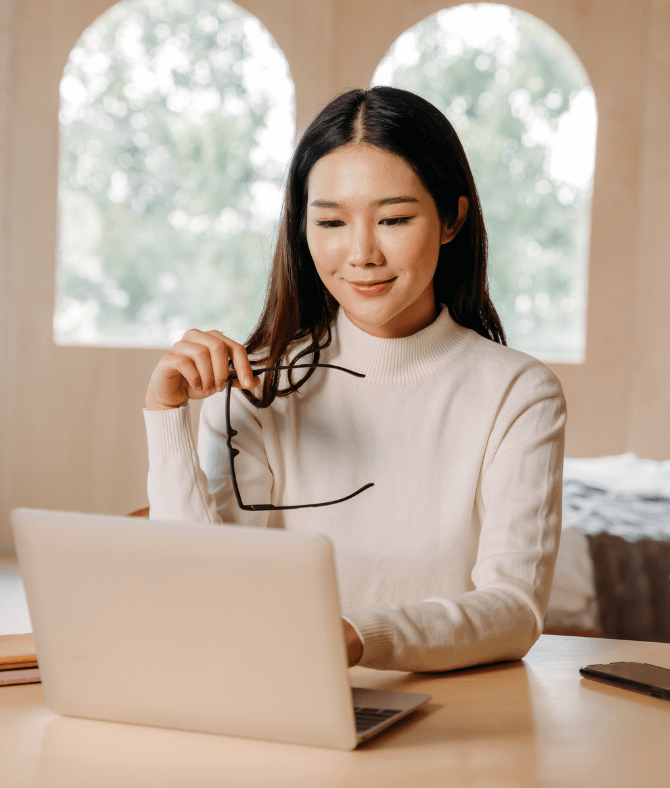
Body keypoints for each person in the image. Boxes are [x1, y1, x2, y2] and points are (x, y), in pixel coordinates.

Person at [143, 86, 566, 673]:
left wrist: (356, 636)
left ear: (451, 219)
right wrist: (166, 419)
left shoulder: (517, 393)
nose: (361, 253)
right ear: (302, 228)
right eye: (332, 222)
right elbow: (196, 590)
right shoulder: (255, 384)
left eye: (393, 218)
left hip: (453, 723)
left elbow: (514, 609)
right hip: (285, 702)